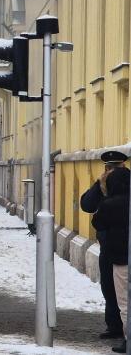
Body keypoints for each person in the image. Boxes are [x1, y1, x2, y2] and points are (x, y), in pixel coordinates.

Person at [81, 151, 128, 343]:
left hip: (123, 245)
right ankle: (114, 325)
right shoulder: (102, 186)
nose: (111, 171)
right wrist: (98, 186)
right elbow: (87, 205)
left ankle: (125, 329)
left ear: (123, 167)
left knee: (123, 291)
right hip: (107, 245)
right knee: (109, 287)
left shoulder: (126, 182)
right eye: (109, 168)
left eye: (115, 167)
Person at [91, 166, 131, 353]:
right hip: (121, 256)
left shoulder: (110, 204)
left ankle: (128, 339)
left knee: (124, 302)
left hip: (120, 259)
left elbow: (97, 221)